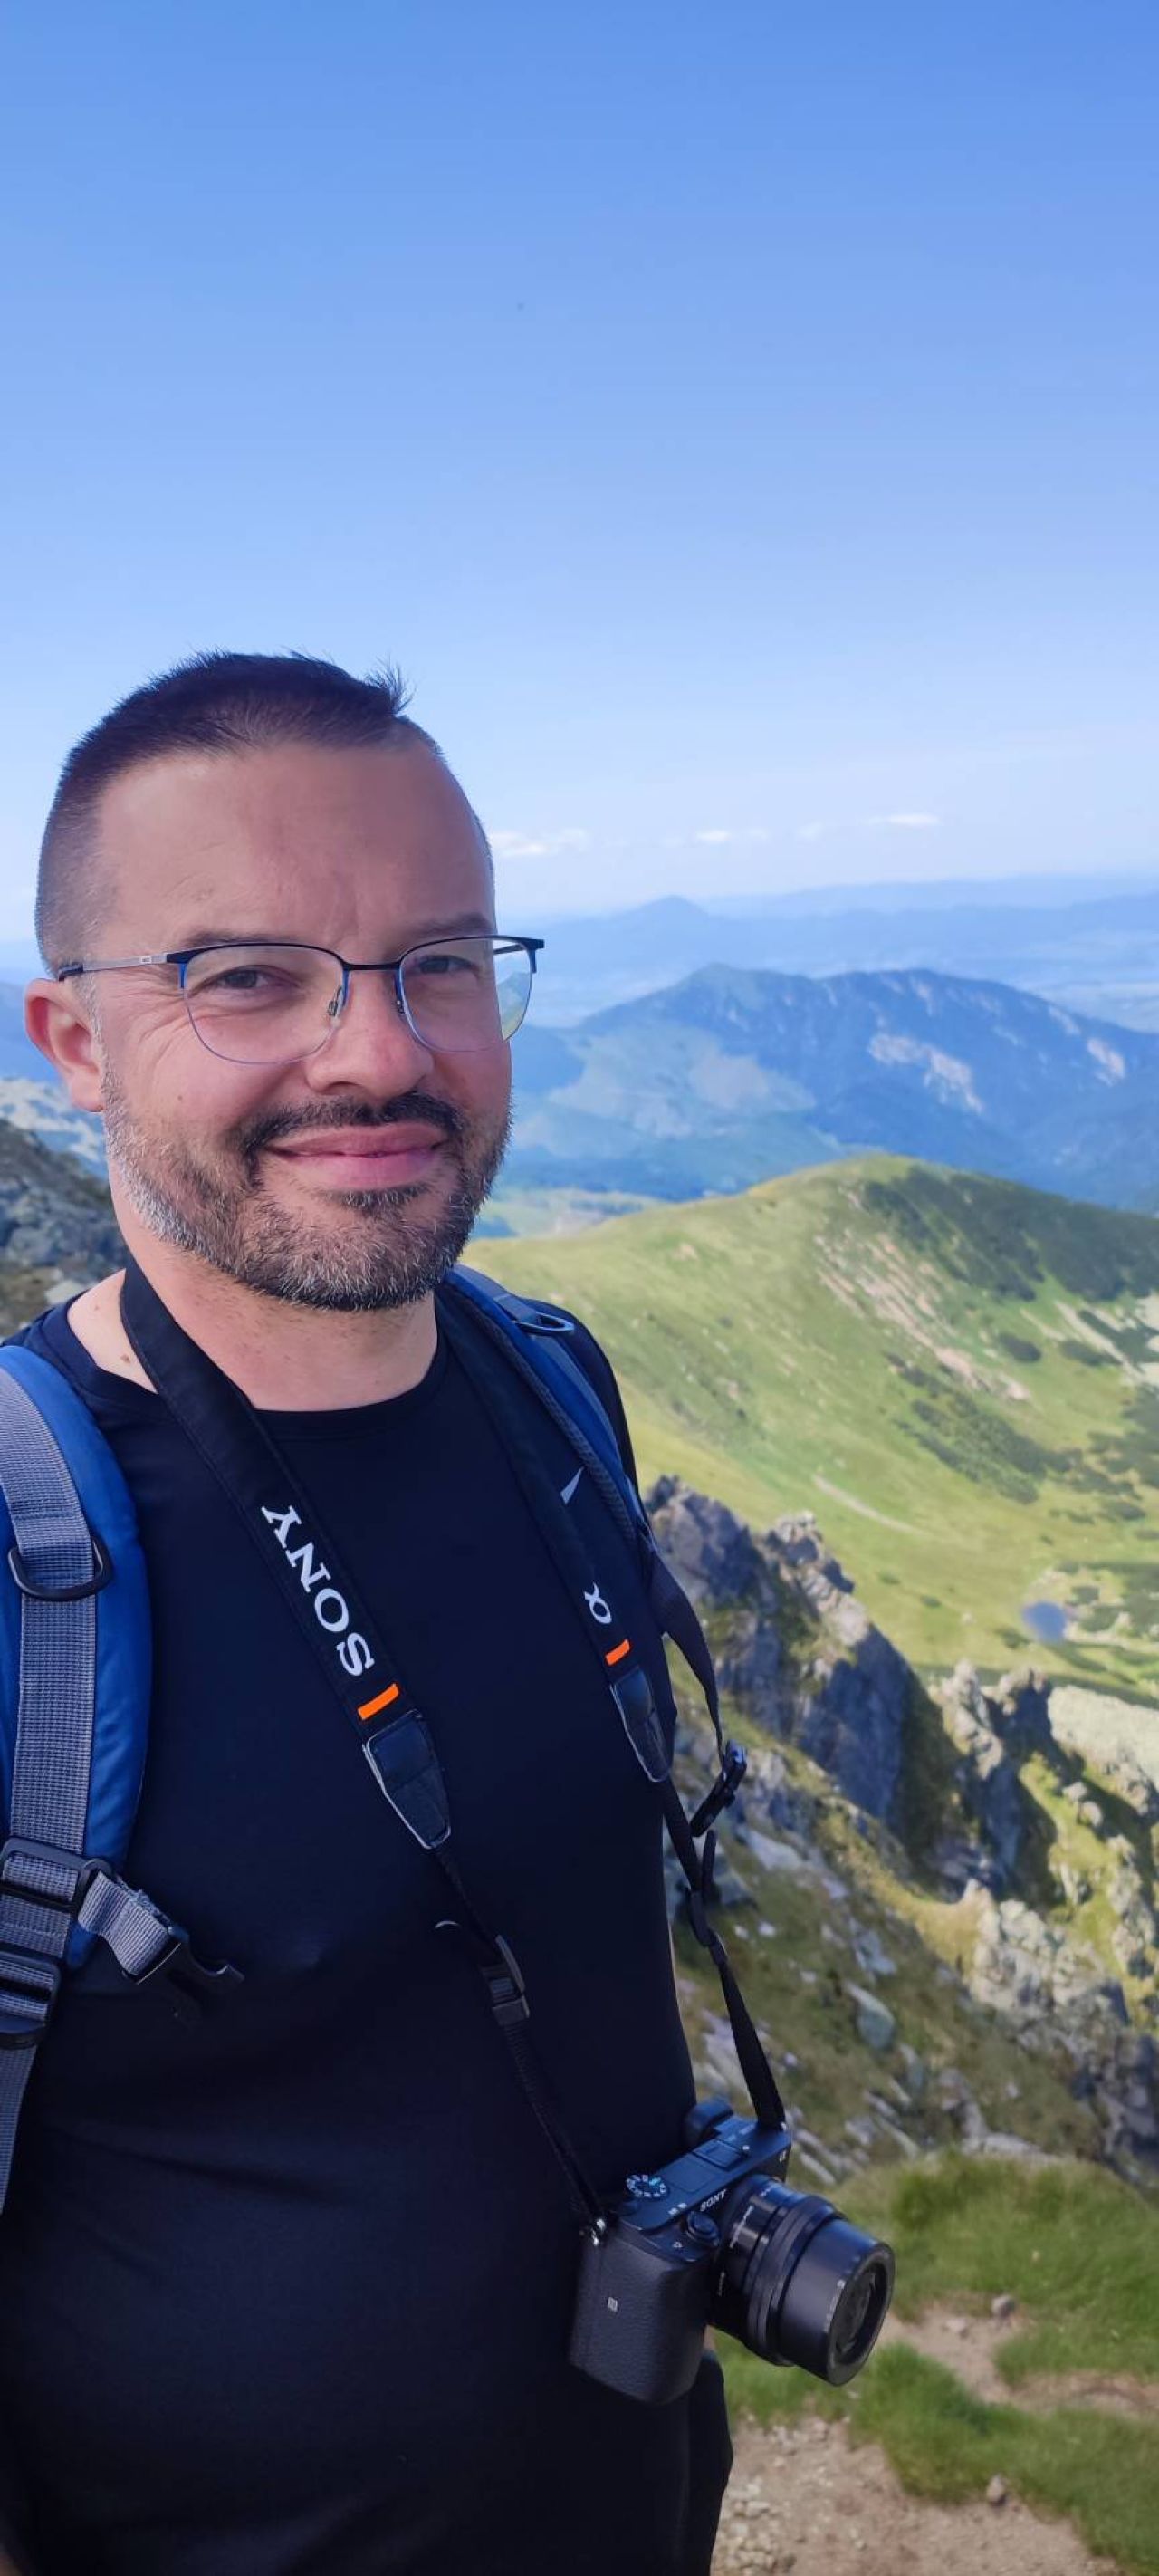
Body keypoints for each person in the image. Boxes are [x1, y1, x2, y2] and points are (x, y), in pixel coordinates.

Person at [0, 653, 733, 2576]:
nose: (380, 1053)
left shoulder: (550, 1385)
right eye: (248, 976)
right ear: (75, 1043)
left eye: (442, 963)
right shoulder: (25, 1555)